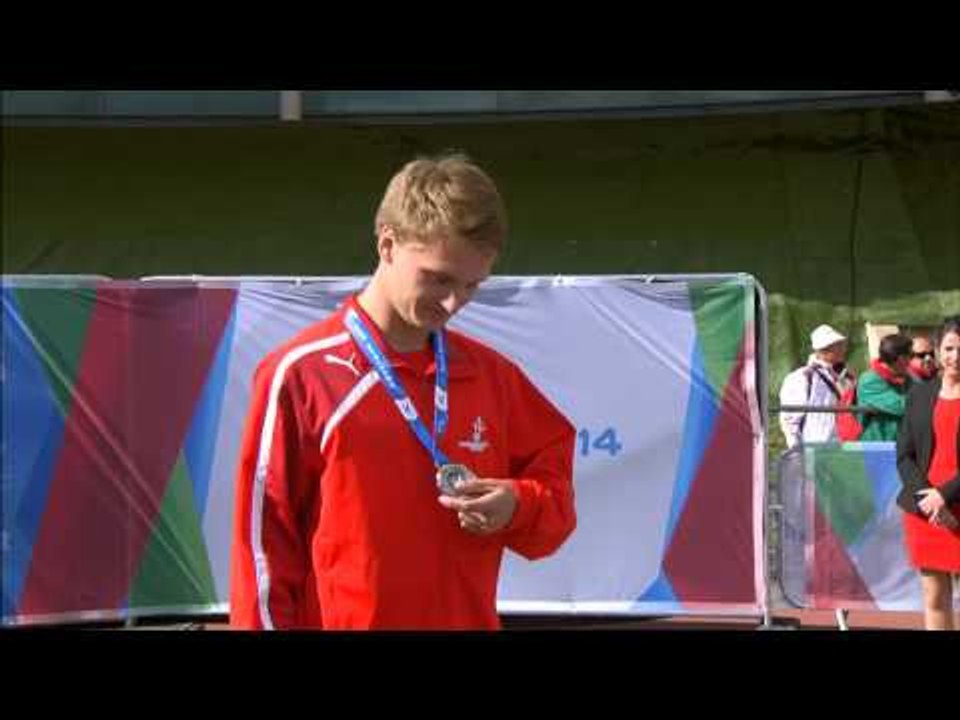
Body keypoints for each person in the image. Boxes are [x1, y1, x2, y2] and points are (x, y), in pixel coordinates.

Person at [229, 153, 577, 630]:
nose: (455, 302)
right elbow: (263, 551)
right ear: (388, 244)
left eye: (472, 286)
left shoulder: (492, 377)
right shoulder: (300, 374)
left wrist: (517, 504)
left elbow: (553, 510)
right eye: (439, 279)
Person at [896, 316, 960, 630]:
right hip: (925, 513)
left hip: (953, 506)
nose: (955, 357)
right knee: (935, 601)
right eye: (949, 348)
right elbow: (904, 455)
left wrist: (944, 496)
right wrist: (929, 500)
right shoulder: (919, 395)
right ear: (937, 350)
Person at [779, 324, 855, 449]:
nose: (843, 349)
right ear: (825, 349)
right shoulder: (802, 377)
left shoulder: (846, 376)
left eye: (842, 344)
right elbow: (790, 419)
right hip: (814, 448)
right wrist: (796, 450)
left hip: (843, 448)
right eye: (838, 345)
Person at [858, 333, 913, 442]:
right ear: (901, 359)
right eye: (910, 355)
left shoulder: (906, 377)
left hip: (902, 444)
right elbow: (901, 406)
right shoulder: (869, 380)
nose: (911, 361)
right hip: (878, 446)